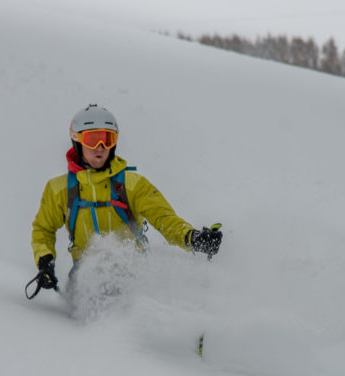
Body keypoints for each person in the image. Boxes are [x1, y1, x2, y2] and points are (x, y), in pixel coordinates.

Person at [27, 104, 222, 297]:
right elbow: (43, 230)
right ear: (77, 142)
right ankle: (108, 324)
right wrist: (45, 262)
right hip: (85, 277)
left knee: (151, 286)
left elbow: (164, 219)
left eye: (108, 139)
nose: (100, 147)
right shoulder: (60, 189)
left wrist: (192, 237)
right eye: (93, 139)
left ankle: (184, 318)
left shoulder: (132, 184)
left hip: (132, 271)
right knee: (100, 280)